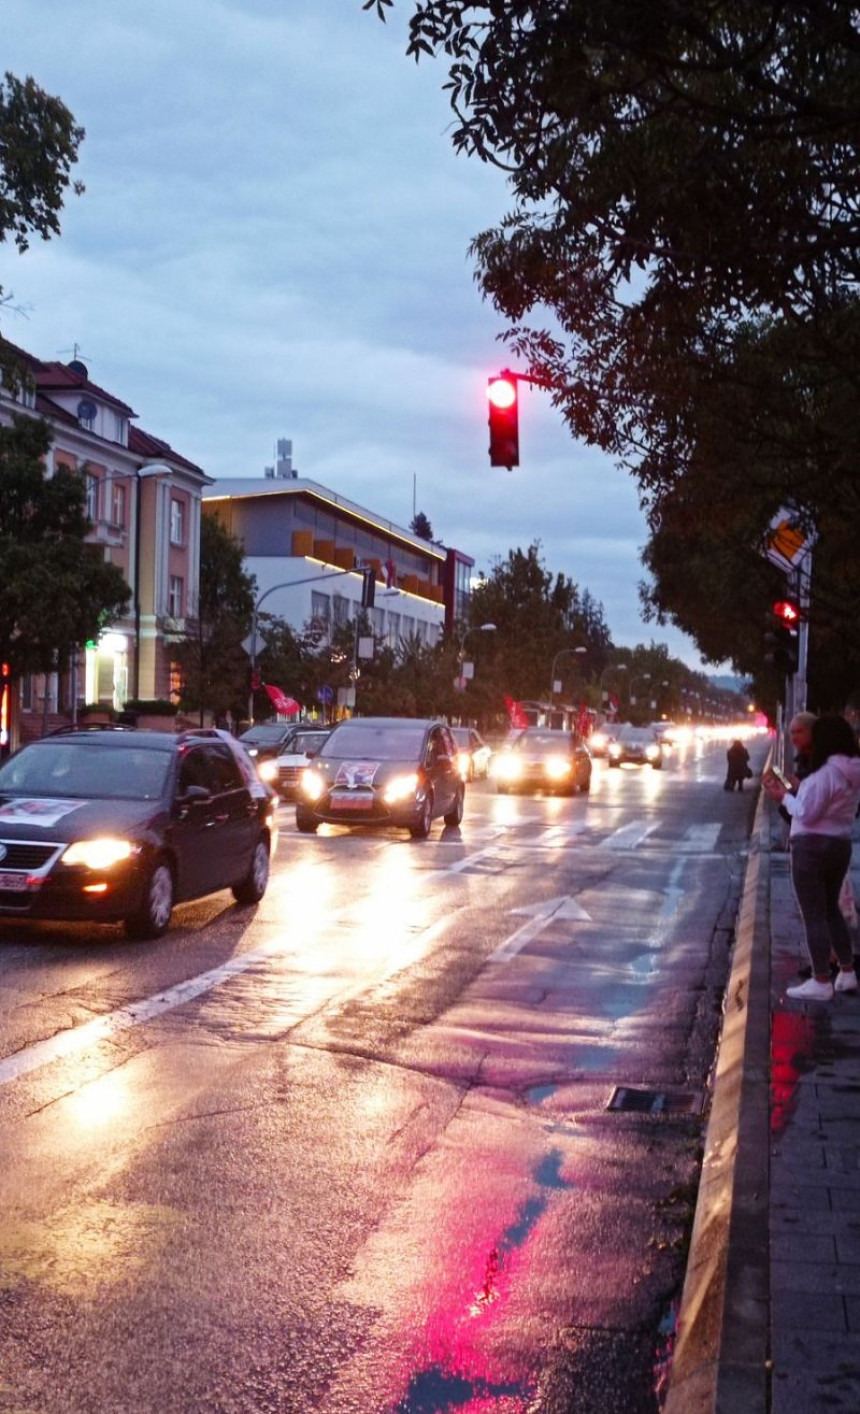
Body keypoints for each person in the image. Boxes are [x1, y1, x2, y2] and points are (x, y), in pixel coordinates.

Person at [763, 714, 860, 1000]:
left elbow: (806, 812)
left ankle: (820, 980)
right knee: (831, 909)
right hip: (839, 844)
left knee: (814, 914)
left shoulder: (825, 774)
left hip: (811, 847)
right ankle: (847, 971)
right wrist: (797, 791)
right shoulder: (851, 770)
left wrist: (783, 797)